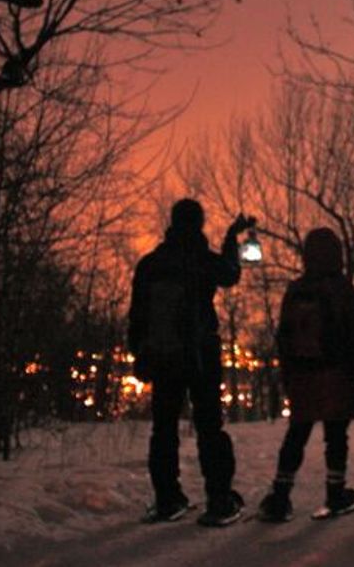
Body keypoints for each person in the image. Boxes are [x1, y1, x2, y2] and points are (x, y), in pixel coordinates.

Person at [127, 199, 255, 526]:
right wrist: (231, 238)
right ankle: (219, 498)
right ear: (199, 224)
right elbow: (231, 273)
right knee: (210, 427)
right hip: (200, 356)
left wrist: (139, 354)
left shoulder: (151, 264)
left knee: (164, 428)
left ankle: (168, 498)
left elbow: (137, 316)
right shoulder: (201, 260)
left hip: (164, 356)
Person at [258, 228, 354, 522]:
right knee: (336, 436)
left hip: (303, 375)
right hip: (335, 374)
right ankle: (335, 494)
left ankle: (280, 496)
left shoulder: (296, 289)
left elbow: (284, 336)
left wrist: (288, 373)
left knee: (297, 433)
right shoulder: (343, 290)